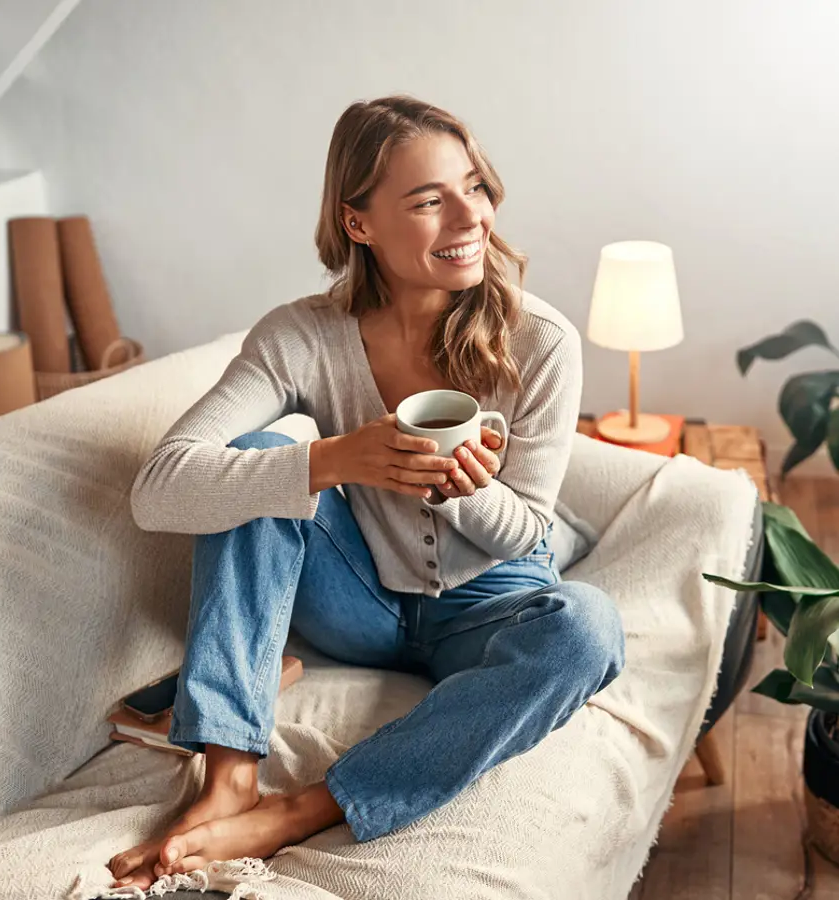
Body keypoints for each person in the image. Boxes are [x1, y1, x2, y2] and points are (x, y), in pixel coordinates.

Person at [108, 94, 625, 891]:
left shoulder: (541, 341)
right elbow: (161, 489)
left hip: (491, 604)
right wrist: (333, 459)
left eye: (474, 187)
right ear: (359, 224)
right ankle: (229, 776)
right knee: (252, 463)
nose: (470, 216)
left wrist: (457, 489)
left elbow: (523, 532)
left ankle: (297, 812)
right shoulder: (299, 335)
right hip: (357, 607)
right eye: (428, 200)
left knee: (586, 630)